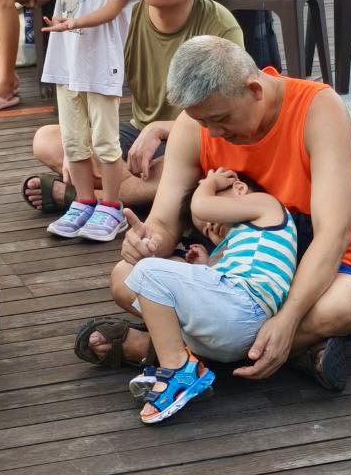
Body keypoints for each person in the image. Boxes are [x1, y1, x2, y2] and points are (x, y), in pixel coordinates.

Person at [92, 37, 351, 390]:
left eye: (221, 119)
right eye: (203, 122)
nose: (213, 133)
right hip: (231, 269)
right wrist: (146, 243)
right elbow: (163, 221)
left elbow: (333, 235)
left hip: (317, 266)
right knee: (124, 276)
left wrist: (288, 317)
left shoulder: (319, 108)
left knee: (349, 304)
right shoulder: (194, 125)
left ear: (254, 90)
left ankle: (166, 350)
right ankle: (289, 350)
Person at [22, 0, 242, 214]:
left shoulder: (220, 28)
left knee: (190, 166)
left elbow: (230, 114)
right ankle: (133, 193)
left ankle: (85, 197)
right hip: (136, 137)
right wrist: (80, 144)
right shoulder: (124, 11)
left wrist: (161, 130)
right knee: (49, 140)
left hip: (192, 138)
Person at [0, 0, 147, 242]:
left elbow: (114, 8)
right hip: (66, 62)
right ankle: (83, 201)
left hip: (101, 62)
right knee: (74, 140)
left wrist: (74, 22)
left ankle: (111, 206)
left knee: (105, 142)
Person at [122, 168, 298, 424]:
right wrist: (207, 264)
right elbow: (219, 285)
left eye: (213, 219)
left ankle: (177, 369)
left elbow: (202, 206)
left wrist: (209, 183)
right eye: (206, 230)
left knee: (148, 271)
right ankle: (186, 367)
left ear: (239, 188)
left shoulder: (268, 206)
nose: (210, 225)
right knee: (158, 296)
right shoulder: (241, 244)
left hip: (244, 308)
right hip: (234, 333)